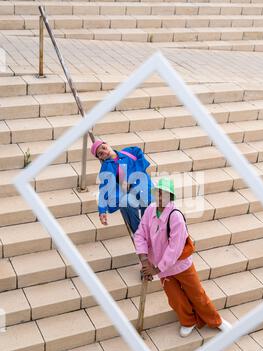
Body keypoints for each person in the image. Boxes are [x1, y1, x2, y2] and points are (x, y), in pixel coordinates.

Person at [134, 177, 232, 337]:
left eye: (164, 194)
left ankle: (216, 321)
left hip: (180, 265)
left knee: (197, 294)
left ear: (170, 197)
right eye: (158, 193)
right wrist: (145, 260)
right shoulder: (150, 210)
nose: (160, 197)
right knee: (175, 298)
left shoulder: (175, 216)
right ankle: (188, 321)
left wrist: (156, 269)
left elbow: (174, 249)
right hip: (161, 268)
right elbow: (140, 234)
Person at [91, 139, 154, 234]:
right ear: (101, 158)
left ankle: (149, 230)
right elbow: (104, 189)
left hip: (144, 188)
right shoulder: (107, 167)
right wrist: (102, 211)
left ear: (107, 144)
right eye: (101, 154)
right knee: (125, 202)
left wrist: (130, 178)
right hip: (130, 194)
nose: (105, 152)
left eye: (104, 148)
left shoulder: (130, 151)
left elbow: (142, 161)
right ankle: (139, 234)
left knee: (150, 201)